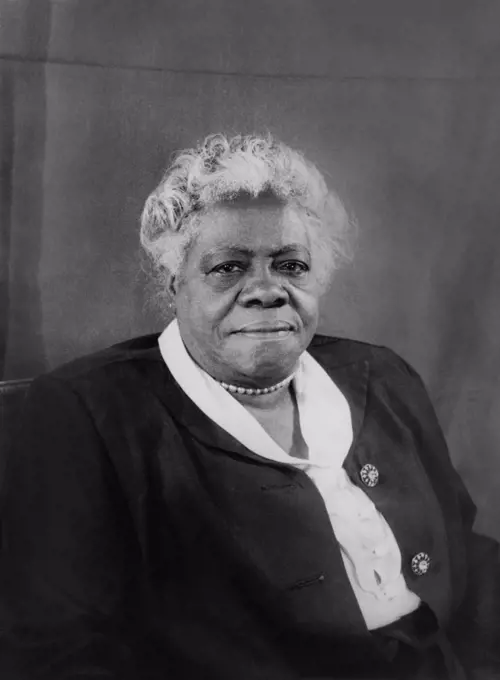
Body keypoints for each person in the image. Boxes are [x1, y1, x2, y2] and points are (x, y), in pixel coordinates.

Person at [0, 133, 499, 680]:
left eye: (291, 265)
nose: (267, 290)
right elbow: (59, 650)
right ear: (173, 283)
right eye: (228, 267)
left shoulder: (382, 376)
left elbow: (464, 557)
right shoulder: (86, 414)